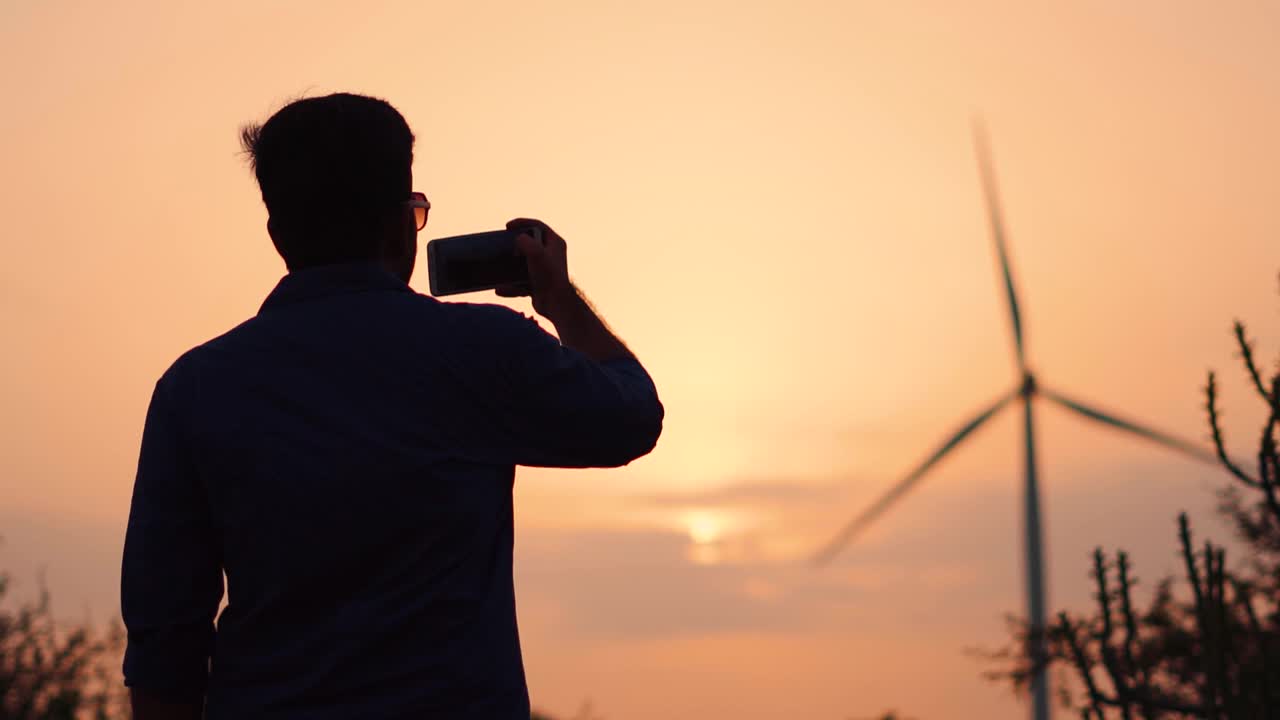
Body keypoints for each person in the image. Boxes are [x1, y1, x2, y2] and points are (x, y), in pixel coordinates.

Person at [120, 92, 664, 720]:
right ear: (399, 221)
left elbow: (165, 646)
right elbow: (632, 416)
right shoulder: (480, 351)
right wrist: (560, 299)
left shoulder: (195, 388)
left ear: (277, 233)